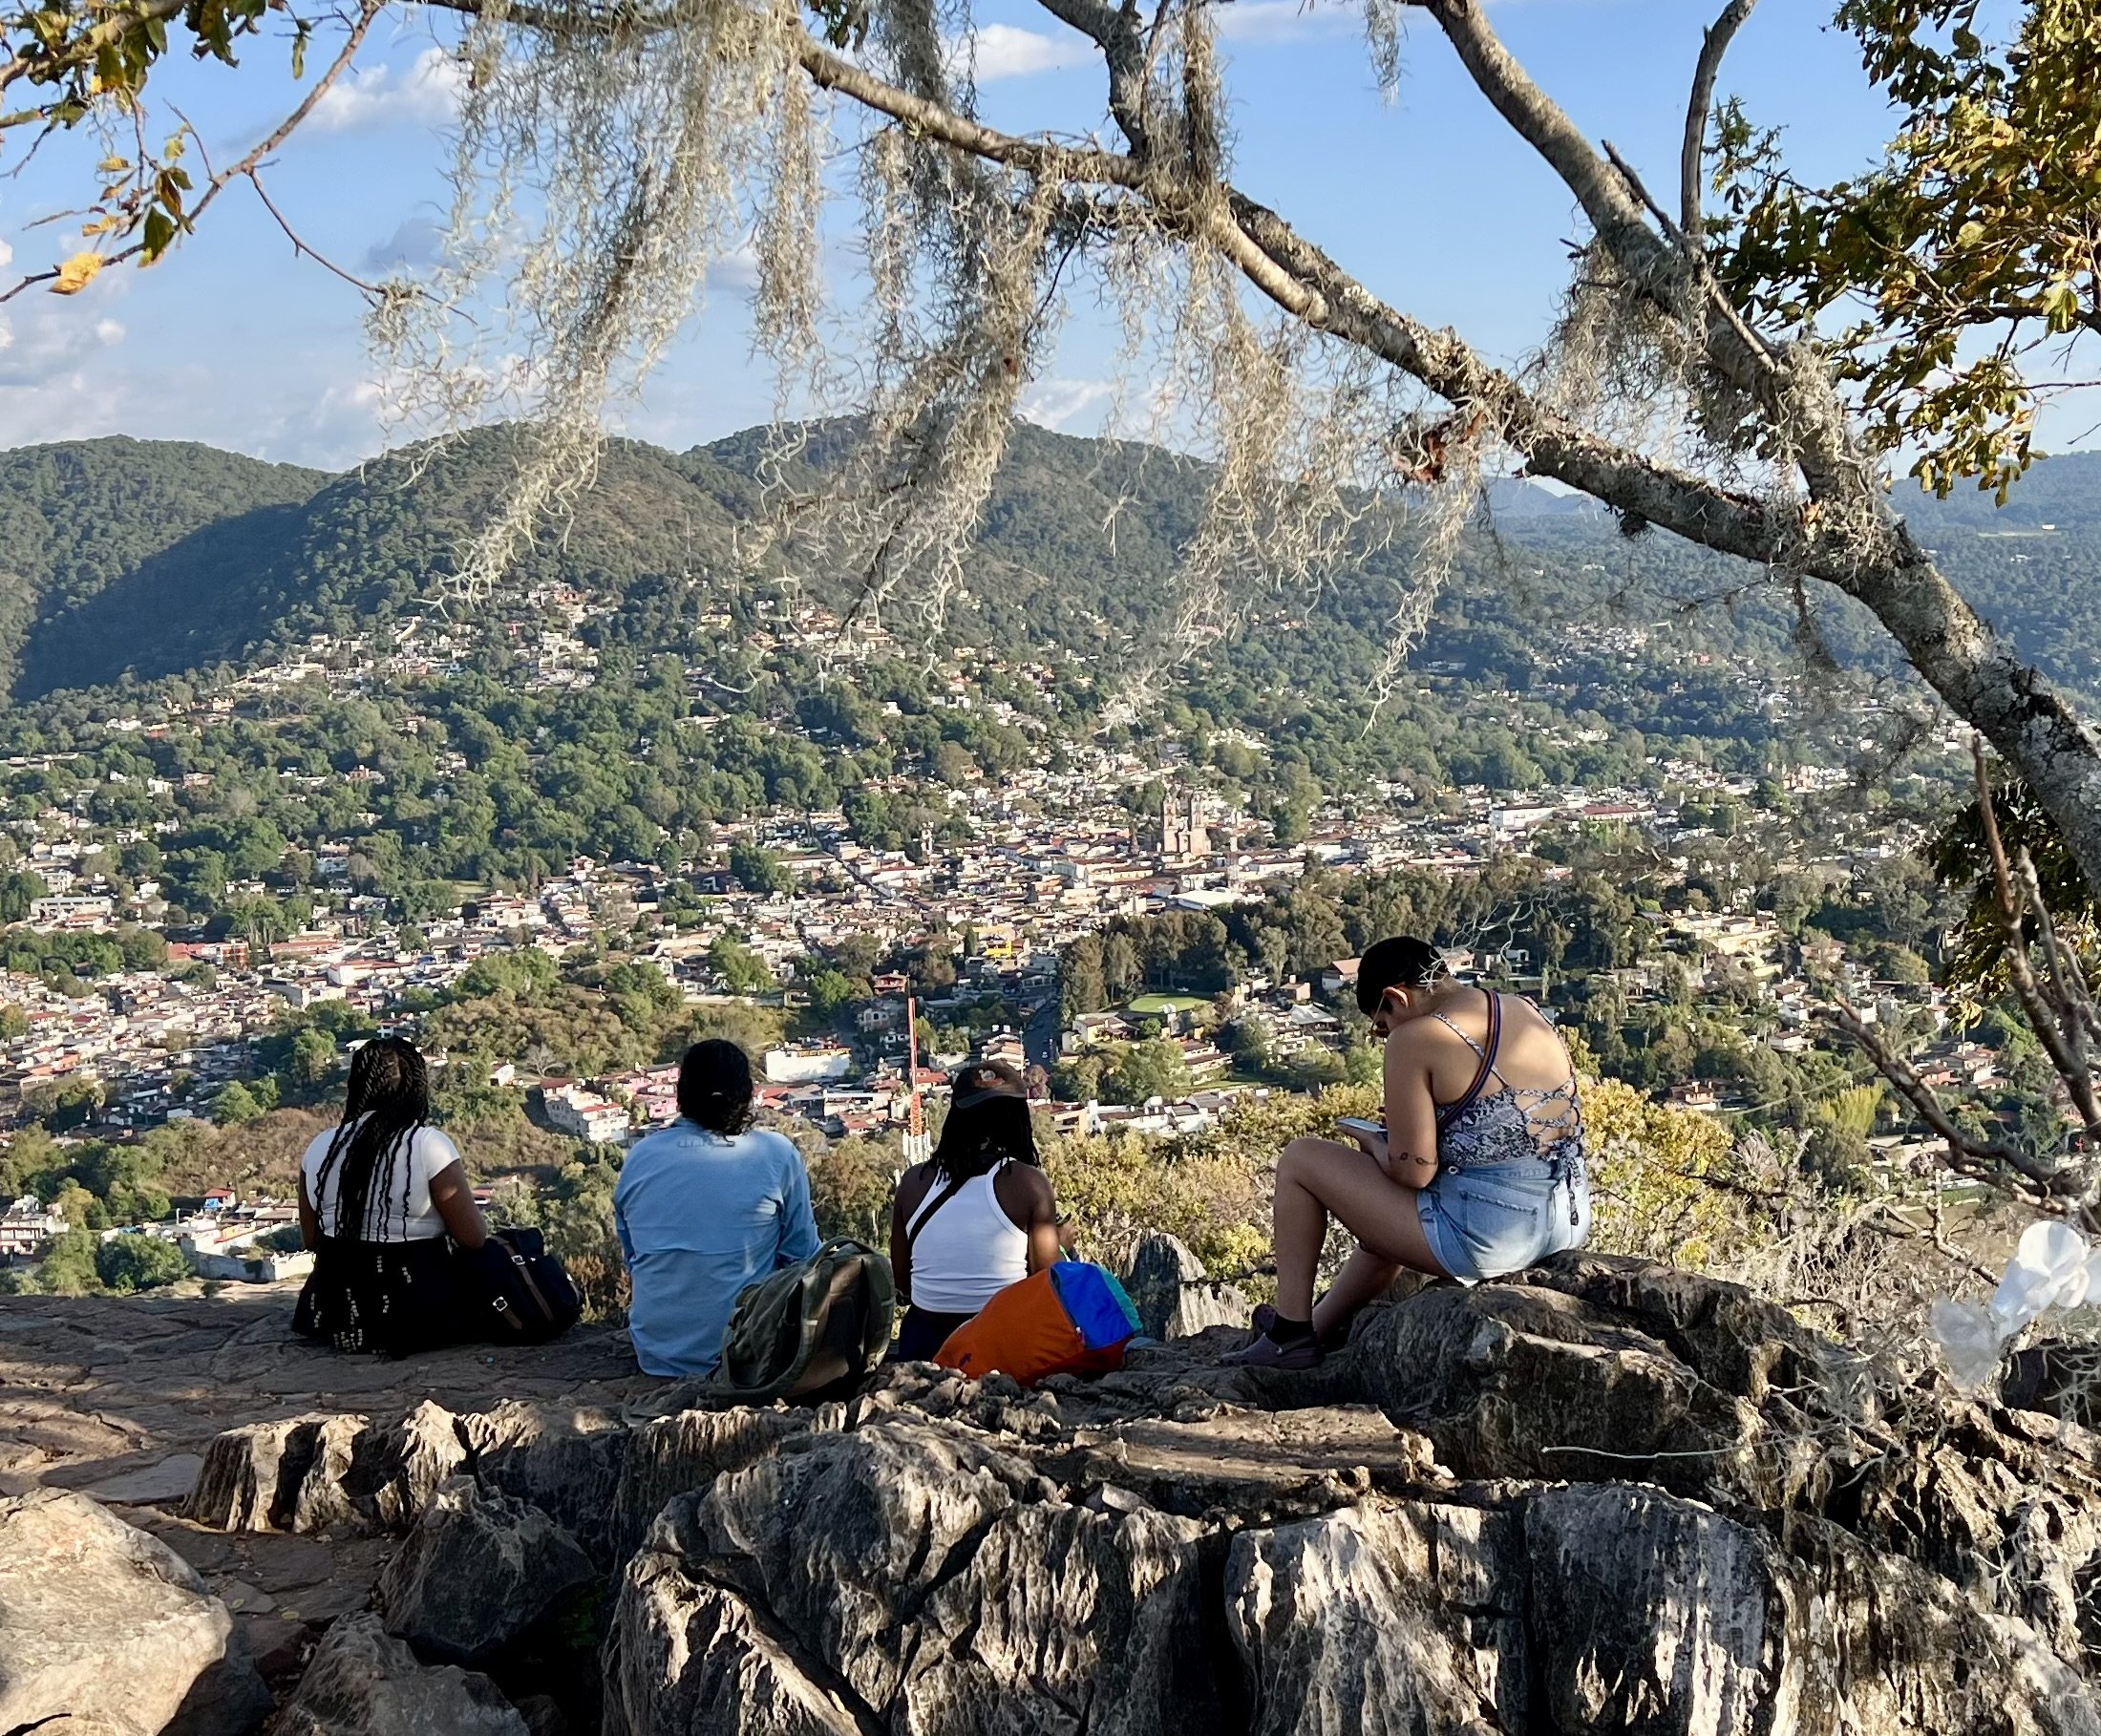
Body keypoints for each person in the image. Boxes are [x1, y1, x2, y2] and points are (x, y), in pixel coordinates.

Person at [1225, 935, 1590, 1368]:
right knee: (1382, 1218)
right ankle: (1314, 1328)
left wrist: (1378, 1144)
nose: (1384, 1036)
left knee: (1300, 1160)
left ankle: (1289, 1335)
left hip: (1495, 1236)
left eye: (1382, 1024)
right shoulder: (1520, 1008)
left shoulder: (1417, 1037)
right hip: (1568, 1219)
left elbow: (1412, 1174)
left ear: (1396, 996)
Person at [615, 1039, 820, 1378]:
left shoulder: (641, 1158)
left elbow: (635, 1258)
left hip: (658, 1355)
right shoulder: (776, 1154)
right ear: (747, 1095)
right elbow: (803, 1259)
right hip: (748, 1357)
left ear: (681, 1093)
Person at [293, 1036, 489, 1355]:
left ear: (357, 1086)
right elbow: (473, 1238)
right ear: (416, 1088)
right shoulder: (428, 1145)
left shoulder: (320, 1147)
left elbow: (312, 1240)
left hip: (337, 1314)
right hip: (419, 1312)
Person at [887, 1060, 1061, 1362]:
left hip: (926, 1348)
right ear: (1017, 1119)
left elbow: (903, 1285)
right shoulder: (1028, 1184)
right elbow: (1044, 1284)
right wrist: (1060, 1242)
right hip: (1002, 1346)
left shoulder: (913, 1183)